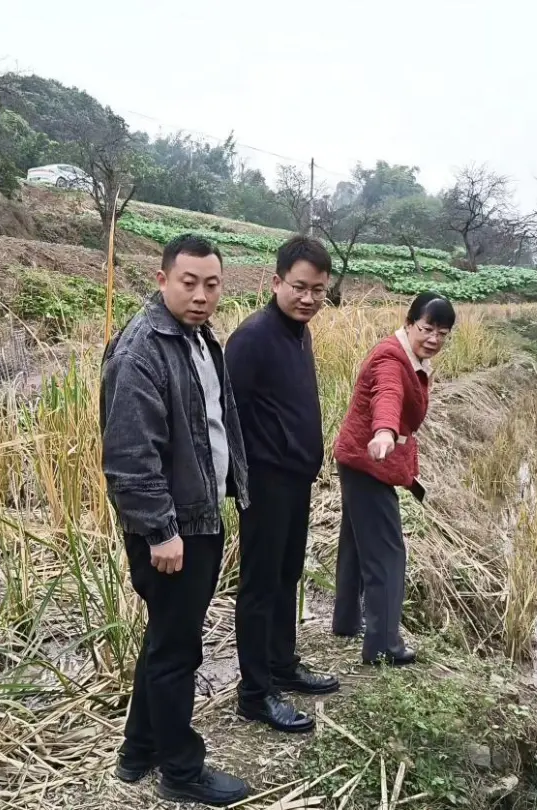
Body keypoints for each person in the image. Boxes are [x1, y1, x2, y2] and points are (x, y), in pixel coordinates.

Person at [101, 234, 252, 807]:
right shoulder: (142, 349)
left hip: (198, 516)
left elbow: (214, 424)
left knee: (167, 638)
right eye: (189, 283)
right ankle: (181, 772)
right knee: (177, 650)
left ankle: (138, 751)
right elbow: (129, 455)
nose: (201, 295)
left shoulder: (199, 339)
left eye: (212, 284)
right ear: (162, 279)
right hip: (172, 529)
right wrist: (160, 530)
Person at [226, 235, 339, 734]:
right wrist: (242, 480)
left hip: (296, 480)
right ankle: (255, 693)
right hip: (265, 481)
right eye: (300, 287)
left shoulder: (299, 333)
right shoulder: (253, 338)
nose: (309, 298)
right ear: (276, 282)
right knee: (259, 585)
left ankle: (281, 663)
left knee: (288, 573)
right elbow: (227, 415)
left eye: (318, 290)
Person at [330, 292, 456, 666]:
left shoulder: (410, 356)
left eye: (442, 333)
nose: (433, 339)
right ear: (409, 323)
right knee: (388, 553)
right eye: (427, 328)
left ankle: (346, 621)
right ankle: (383, 644)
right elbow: (387, 393)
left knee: (356, 542)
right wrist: (384, 431)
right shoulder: (391, 358)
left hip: (360, 459)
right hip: (369, 461)